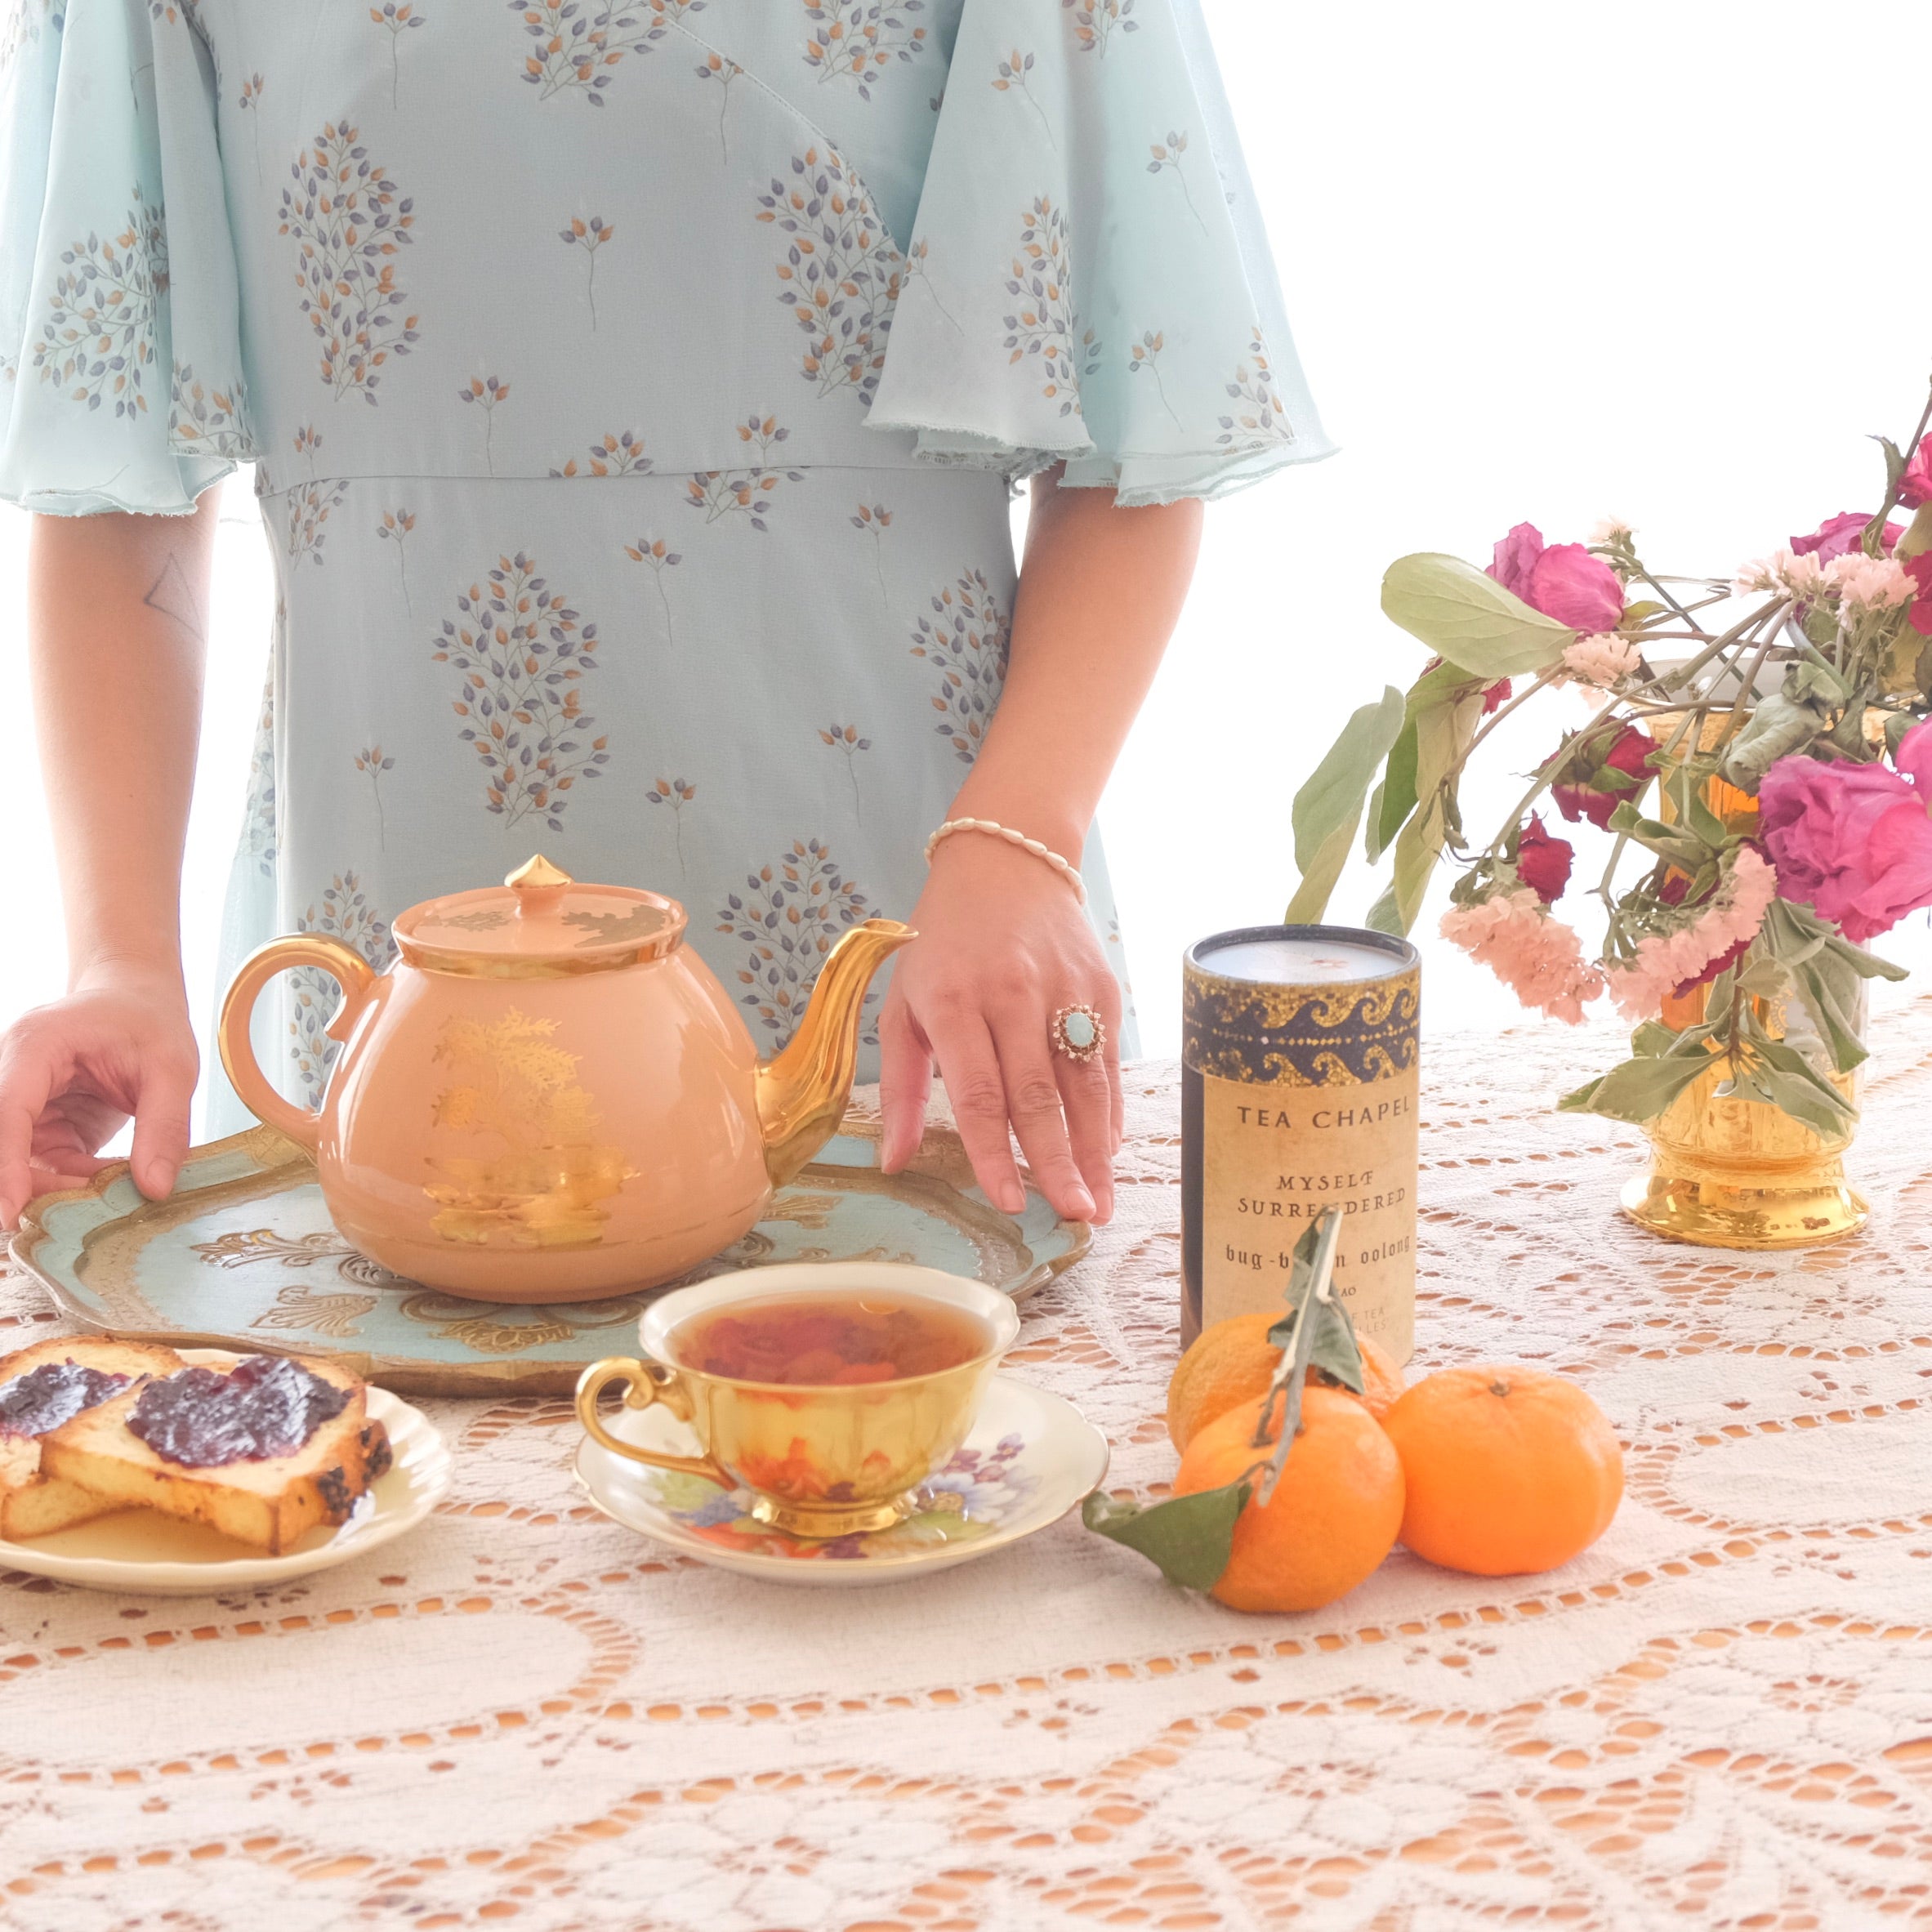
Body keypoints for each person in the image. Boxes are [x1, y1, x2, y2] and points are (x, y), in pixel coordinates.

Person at [0, 0, 1328, 1238]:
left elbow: (1131, 430)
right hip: (388, 1010)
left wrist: (1020, 843)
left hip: (917, 974)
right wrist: (118, 955)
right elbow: (113, 470)